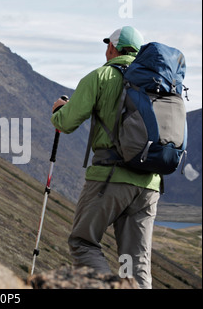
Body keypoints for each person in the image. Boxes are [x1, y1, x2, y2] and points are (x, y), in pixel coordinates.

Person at [50, 26, 161, 289]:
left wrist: (57, 112)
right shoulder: (158, 81)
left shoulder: (101, 77)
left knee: (83, 242)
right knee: (135, 261)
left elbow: (66, 123)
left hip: (110, 177)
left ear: (112, 47)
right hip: (150, 182)